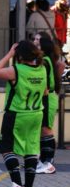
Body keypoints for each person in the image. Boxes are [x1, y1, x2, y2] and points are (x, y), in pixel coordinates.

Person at [0, 41, 46, 187]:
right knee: (31, 149)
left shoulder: (17, 70)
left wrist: (9, 55)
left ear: (19, 55)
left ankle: (16, 184)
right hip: (36, 114)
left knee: (7, 148)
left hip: (17, 114)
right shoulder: (42, 69)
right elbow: (46, 91)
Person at [34, 36, 64, 174]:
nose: (34, 42)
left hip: (47, 97)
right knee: (43, 129)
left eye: (37, 41)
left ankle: (48, 162)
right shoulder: (46, 59)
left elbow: (44, 84)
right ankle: (43, 161)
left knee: (46, 129)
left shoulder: (45, 61)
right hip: (46, 96)